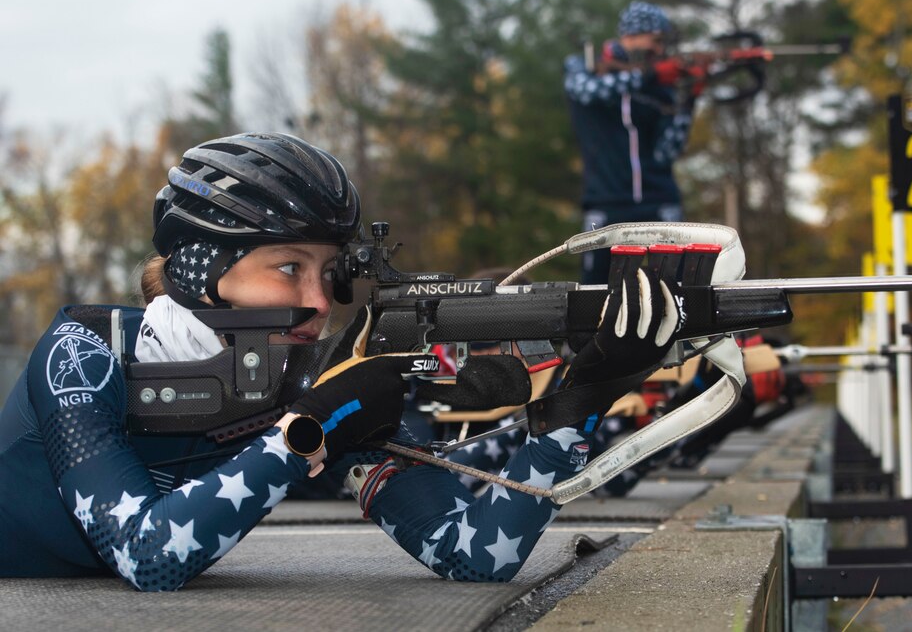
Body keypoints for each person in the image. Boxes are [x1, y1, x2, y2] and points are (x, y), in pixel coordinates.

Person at [0, 132, 681, 589]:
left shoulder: (307, 377)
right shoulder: (83, 356)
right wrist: (310, 429)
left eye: (331, 272)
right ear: (200, 269)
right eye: (288, 267)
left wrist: (573, 405)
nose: (317, 301)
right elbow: (149, 555)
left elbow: (474, 554)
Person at [564, 0, 705, 284]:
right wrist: (646, 76)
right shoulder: (583, 66)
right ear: (630, 36)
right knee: (593, 289)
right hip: (603, 205)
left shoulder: (662, 87)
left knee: (676, 287)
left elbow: (667, 151)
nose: (660, 50)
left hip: (660, 202)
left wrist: (688, 101)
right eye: (655, 41)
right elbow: (586, 91)